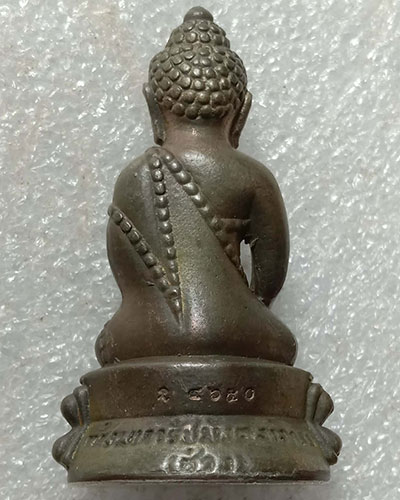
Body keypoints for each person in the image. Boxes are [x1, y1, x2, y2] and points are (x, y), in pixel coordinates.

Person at [96, 7, 297, 367]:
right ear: (242, 111)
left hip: (141, 339)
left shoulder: (132, 178)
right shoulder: (254, 177)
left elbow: (126, 277)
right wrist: (246, 307)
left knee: (107, 344)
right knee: (281, 341)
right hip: (233, 333)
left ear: (153, 107)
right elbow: (270, 276)